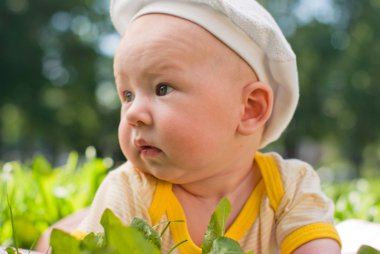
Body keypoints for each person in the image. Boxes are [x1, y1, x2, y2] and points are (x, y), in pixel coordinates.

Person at [72, 1, 342, 253]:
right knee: (60, 236)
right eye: (127, 95)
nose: (133, 113)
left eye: (162, 88)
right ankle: (74, 223)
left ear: (250, 108)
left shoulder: (288, 188)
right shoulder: (130, 190)